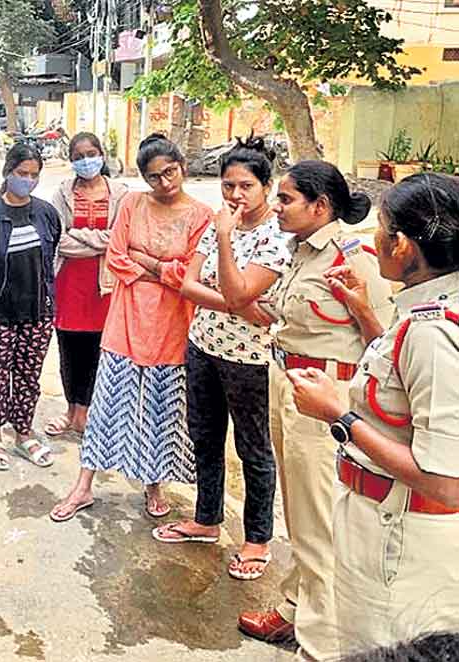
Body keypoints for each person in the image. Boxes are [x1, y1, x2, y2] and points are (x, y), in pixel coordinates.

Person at [285, 173, 459, 655]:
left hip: (400, 540)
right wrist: (362, 311)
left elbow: (446, 482)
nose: (373, 239)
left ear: (402, 245)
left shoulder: (432, 333)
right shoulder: (426, 315)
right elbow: (403, 377)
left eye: (381, 228)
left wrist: (341, 416)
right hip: (383, 522)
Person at [236, 161, 393, 661]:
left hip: (324, 394)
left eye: (285, 200)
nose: (276, 208)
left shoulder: (355, 257)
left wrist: (364, 308)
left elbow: (387, 345)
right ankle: (294, 606)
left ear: (320, 206)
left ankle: (322, 642)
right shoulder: (301, 251)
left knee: (317, 518)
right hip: (287, 382)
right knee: (298, 509)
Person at [49, 133, 212, 523]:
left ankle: (153, 485)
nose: (164, 183)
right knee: (107, 405)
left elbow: (189, 272)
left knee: (160, 408)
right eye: (154, 176)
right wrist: (159, 268)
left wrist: (151, 265)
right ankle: (83, 485)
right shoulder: (133, 204)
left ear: (183, 167)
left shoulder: (201, 214)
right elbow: (118, 256)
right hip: (124, 321)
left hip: (172, 324)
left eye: (170, 172)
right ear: (144, 178)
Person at [152, 136, 292, 584]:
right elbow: (190, 285)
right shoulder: (217, 225)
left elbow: (242, 291)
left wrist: (235, 285)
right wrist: (235, 303)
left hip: (249, 359)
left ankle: (257, 539)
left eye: (245, 186)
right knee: (204, 437)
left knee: (253, 448)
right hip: (203, 345)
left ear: (266, 187)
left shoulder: (278, 236)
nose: (234, 195)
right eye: (228, 185)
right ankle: (206, 519)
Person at [0, 144, 59, 471]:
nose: (27, 181)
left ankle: (23, 432)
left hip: (38, 311)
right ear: (8, 172)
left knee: (30, 374)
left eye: (33, 175)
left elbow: (51, 255)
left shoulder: (45, 213)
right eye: (21, 174)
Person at [45, 132, 129, 437]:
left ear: (102, 154)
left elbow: (119, 240)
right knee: (69, 350)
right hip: (68, 283)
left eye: (91, 153)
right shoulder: (63, 192)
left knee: (97, 351)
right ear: (71, 161)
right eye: (78, 156)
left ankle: (86, 412)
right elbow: (58, 239)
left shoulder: (120, 193)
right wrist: (98, 242)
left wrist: (80, 235)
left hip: (104, 285)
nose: (86, 161)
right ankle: (70, 411)